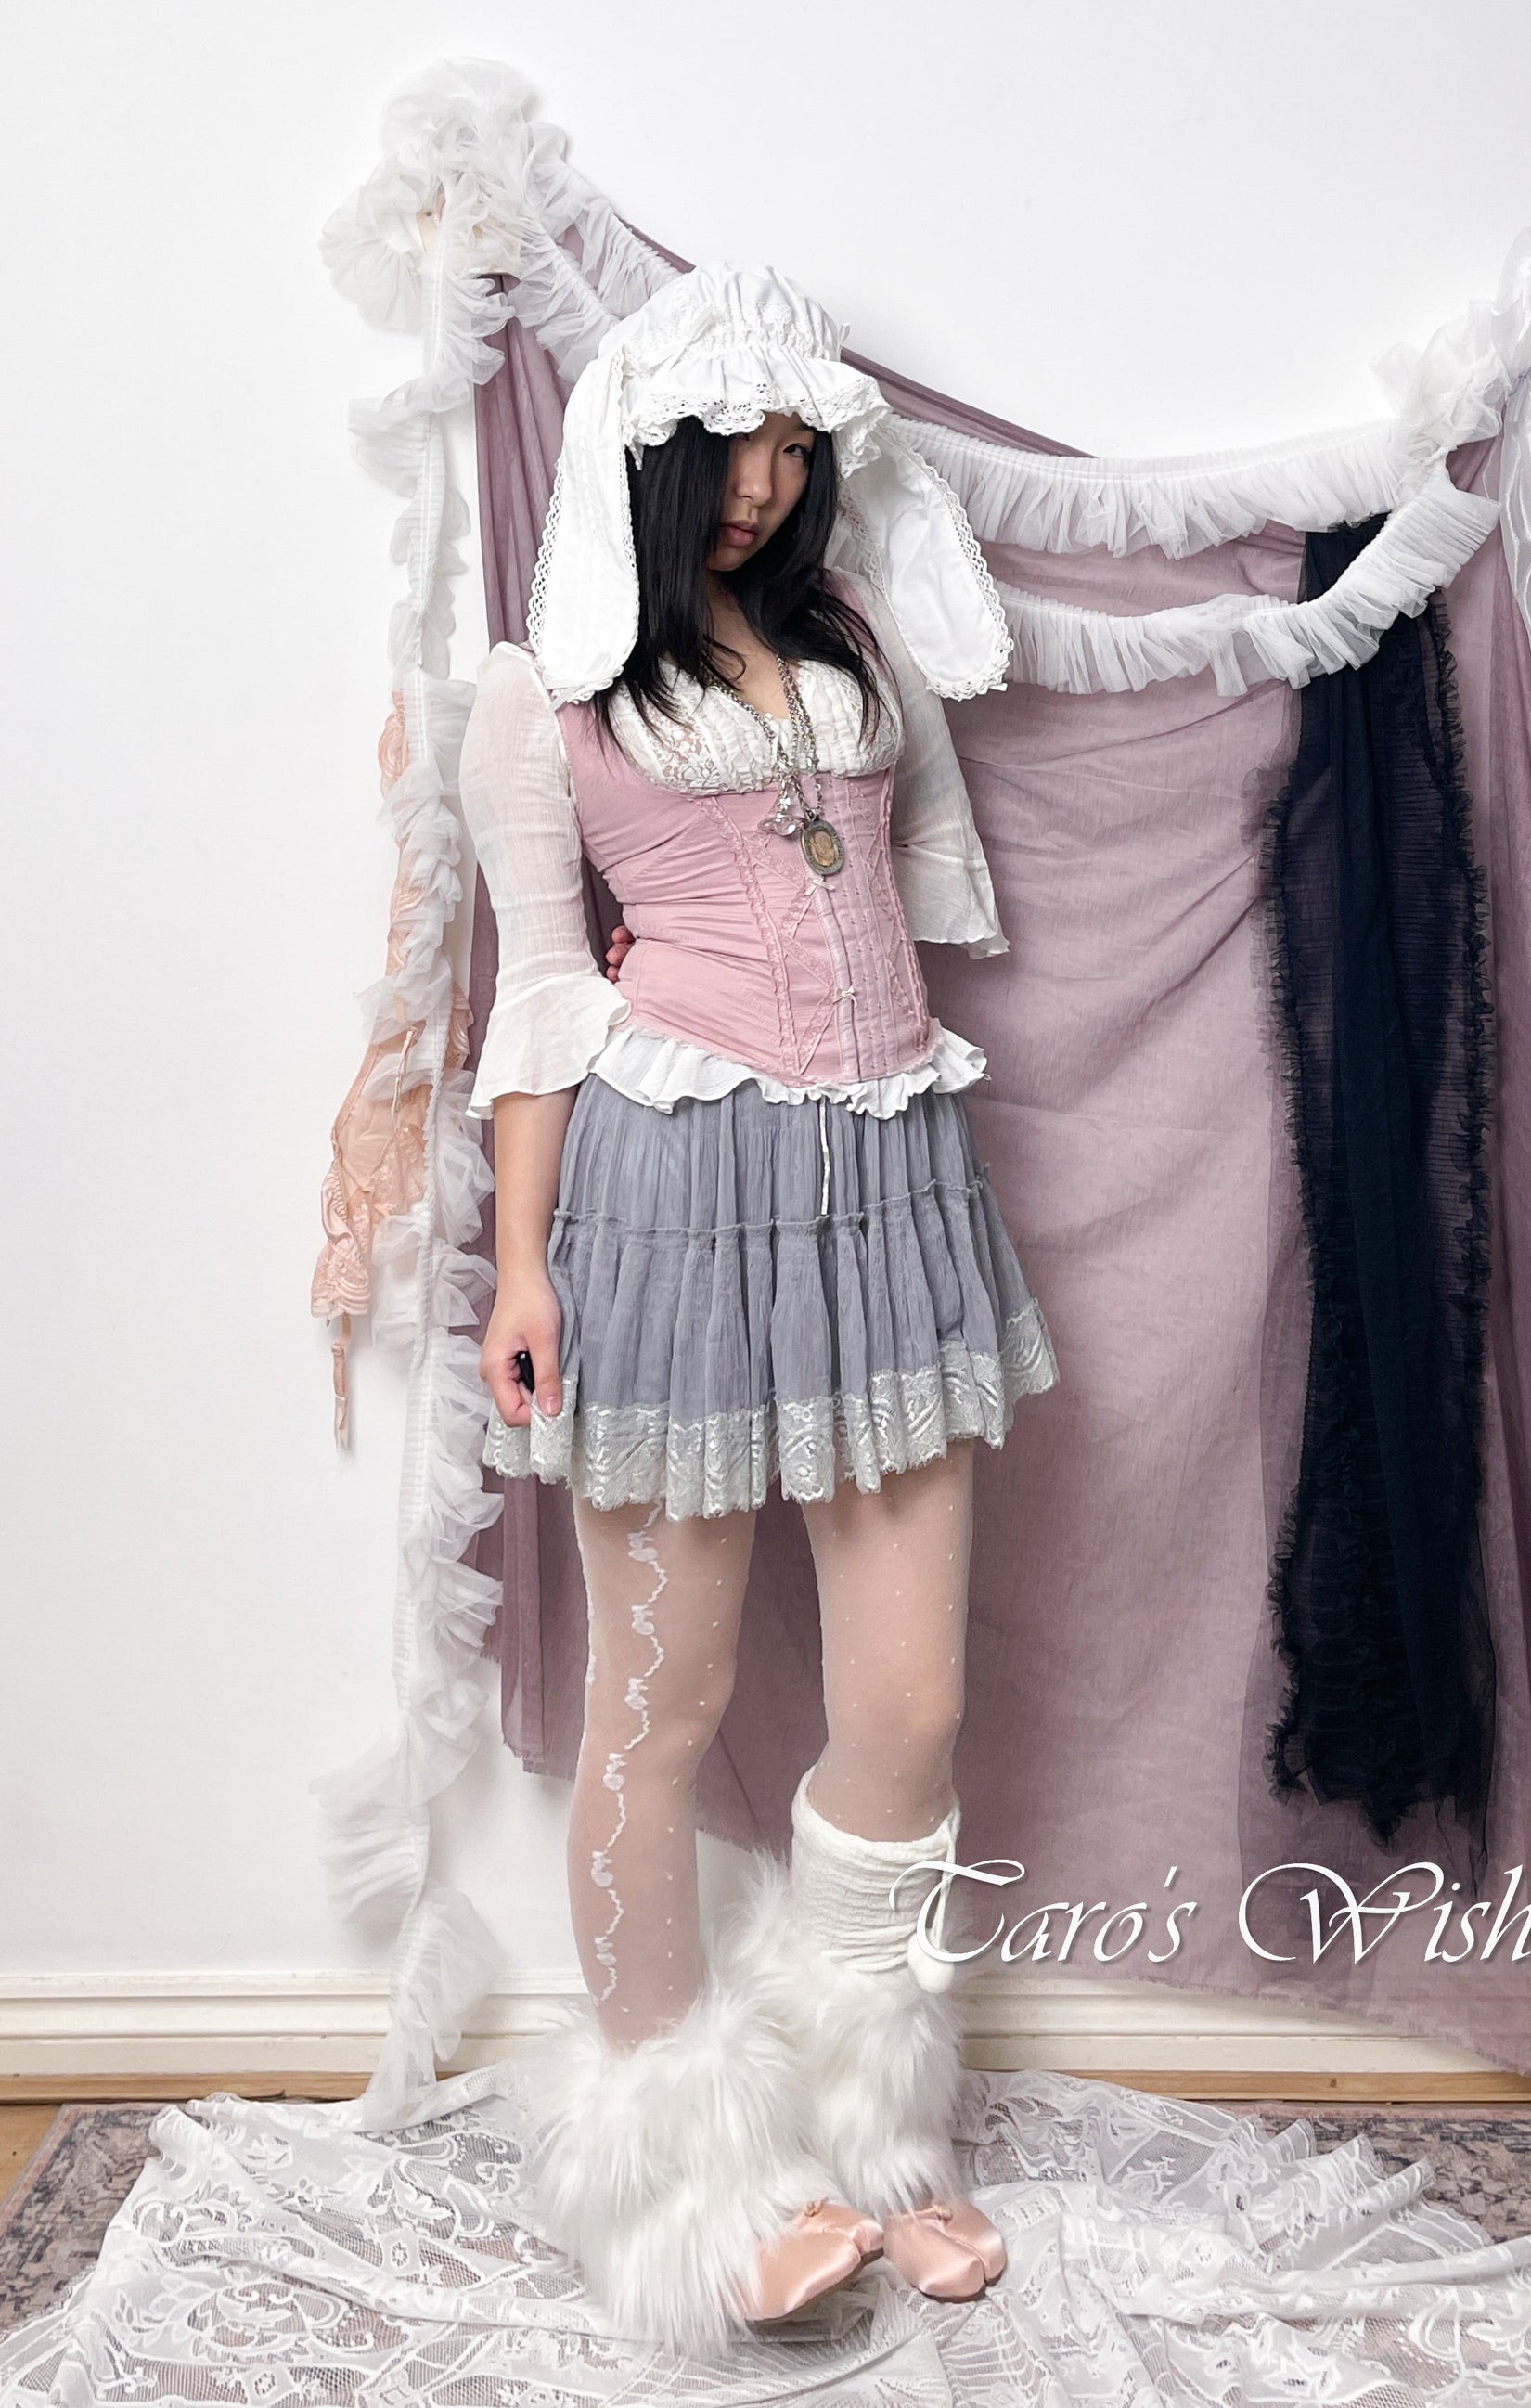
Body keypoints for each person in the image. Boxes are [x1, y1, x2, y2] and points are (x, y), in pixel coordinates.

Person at [459, 262, 1059, 2354]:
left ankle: (867, 2125)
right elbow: (545, 992)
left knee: (909, 1702)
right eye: (731, 446)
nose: (769, 484)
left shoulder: (854, 638)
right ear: (646, 449)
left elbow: (904, 891)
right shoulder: (540, 694)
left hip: (889, 1180)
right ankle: (682, 2182)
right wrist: (519, 1261)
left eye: (799, 448)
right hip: (669, 1202)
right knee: (662, 1706)